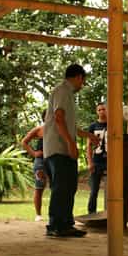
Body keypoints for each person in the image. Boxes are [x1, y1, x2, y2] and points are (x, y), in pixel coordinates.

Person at [43, 64, 89, 238]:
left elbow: (69, 124)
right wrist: (70, 144)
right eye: (82, 82)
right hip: (59, 148)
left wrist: (87, 135)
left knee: (69, 186)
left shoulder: (66, 93)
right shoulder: (62, 91)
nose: (82, 86)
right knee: (62, 187)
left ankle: (65, 224)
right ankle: (55, 225)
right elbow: (59, 118)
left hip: (60, 148)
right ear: (78, 77)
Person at [20, 111, 46, 221]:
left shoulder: (59, 129)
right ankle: (38, 214)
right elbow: (24, 142)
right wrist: (34, 153)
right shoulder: (39, 129)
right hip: (40, 161)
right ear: (44, 117)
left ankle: (55, 214)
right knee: (39, 187)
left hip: (54, 160)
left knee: (57, 187)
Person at [87, 102, 108, 214]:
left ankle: (111, 214)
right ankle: (91, 213)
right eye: (99, 110)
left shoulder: (113, 124)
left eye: (103, 109)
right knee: (94, 190)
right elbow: (89, 146)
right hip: (97, 161)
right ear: (96, 112)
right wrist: (90, 162)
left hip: (110, 162)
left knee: (112, 190)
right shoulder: (93, 126)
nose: (101, 111)